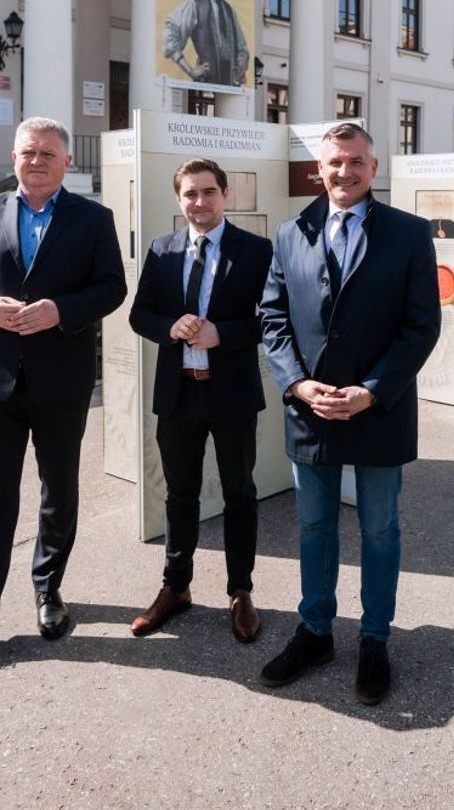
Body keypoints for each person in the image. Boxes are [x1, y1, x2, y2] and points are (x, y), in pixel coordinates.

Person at [0, 116, 127, 689]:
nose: (36, 160)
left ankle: (48, 589)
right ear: (14, 158)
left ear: (67, 161)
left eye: (47, 153)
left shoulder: (93, 218)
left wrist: (61, 311)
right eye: (27, 152)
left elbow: (112, 288)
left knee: (58, 491)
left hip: (61, 383)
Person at [258, 122, 440, 705]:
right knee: (314, 526)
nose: (344, 171)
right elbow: (272, 319)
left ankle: (374, 638)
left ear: (374, 167)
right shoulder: (292, 232)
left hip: (379, 408)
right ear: (320, 169)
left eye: (356, 161)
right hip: (311, 410)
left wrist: (371, 390)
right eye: (334, 162)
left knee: (380, 529)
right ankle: (315, 632)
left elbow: (421, 326)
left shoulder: (409, 233)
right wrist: (296, 383)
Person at [127, 158, 273, 643]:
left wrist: (222, 333)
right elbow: (140, 314)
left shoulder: (255, 250)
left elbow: (274, 318)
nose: (200, 201)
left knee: (239, 494)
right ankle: (176, 586)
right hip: (178, 393)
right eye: (190, 193)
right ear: (179, 198)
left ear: (225, 195)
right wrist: (170, 328)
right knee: (180, 495)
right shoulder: (162, 249)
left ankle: (240, 590)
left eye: (209, 192)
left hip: (232, 394)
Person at [162, 0, 249, 88]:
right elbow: (170, 30)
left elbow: (242, 49)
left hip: (230, 87)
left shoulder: (229, 10)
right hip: (205, 85)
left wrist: (240, 70)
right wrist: (190, 70)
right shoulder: (195, 2)